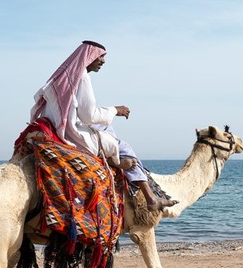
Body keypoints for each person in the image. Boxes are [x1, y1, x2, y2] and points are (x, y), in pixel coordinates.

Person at [30, 40, 177, 211]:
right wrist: (115, 110)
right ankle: (150, 197)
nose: (103, 61)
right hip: (71, 133)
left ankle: (112, 160)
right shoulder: (82, 77)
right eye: (101, 57)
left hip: (56, 127)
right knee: (124, 146)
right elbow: (89, 116)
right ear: (89, 56)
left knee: (108, 129)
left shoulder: (63, 75)